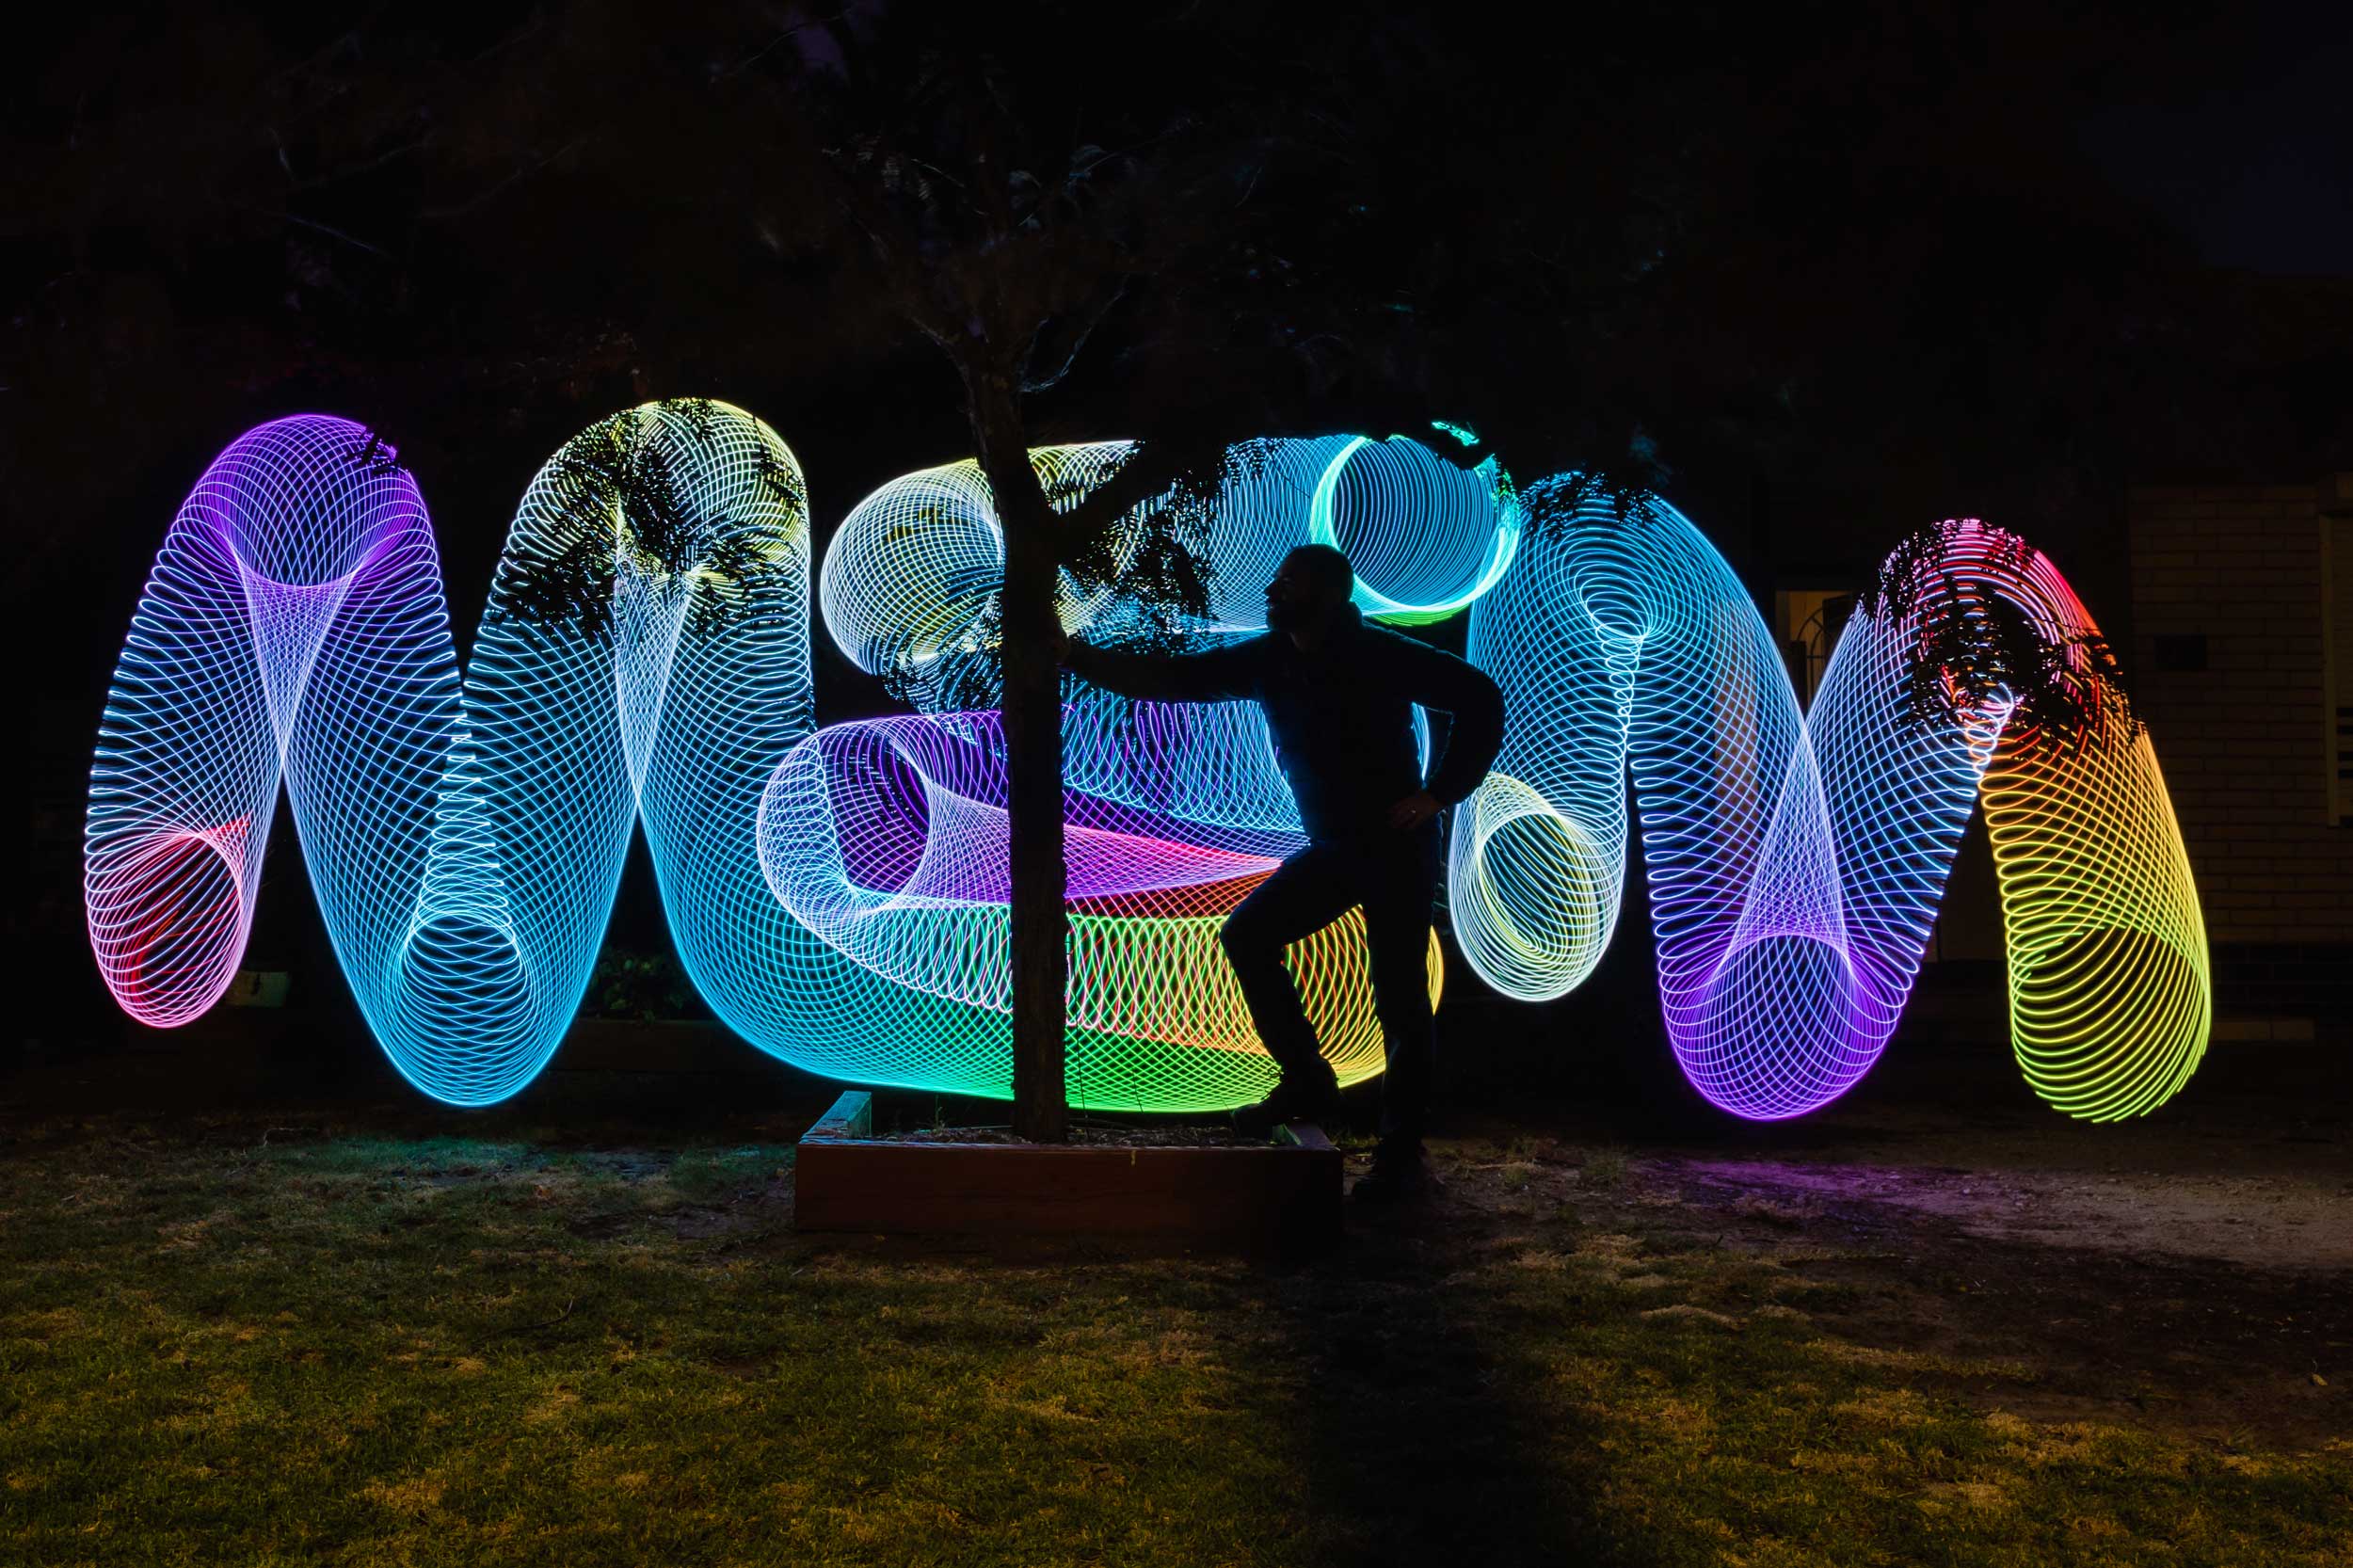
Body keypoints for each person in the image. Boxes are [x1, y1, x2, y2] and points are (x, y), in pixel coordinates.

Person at [1059, 543, 1505, 1201]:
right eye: (1276, 581)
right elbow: (1174, 679)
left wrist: (1439, 793)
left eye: (1288, 582)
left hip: (1394, 847)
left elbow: (1480, 697)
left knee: (1401, 995)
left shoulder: (1378, 654)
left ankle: (1400, 1154)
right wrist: (1072, 656)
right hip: (1333, 848)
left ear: (1328, 595)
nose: (1273, 591)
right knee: (1247, 934)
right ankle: (1307, 1081)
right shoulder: (1270, 659)